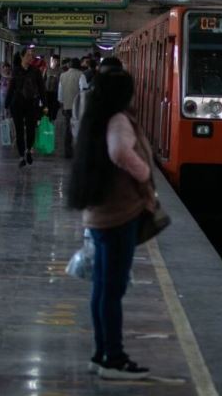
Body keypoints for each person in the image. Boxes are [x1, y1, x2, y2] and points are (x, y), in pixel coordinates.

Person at [67, 66, 153, 380]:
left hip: (98, 215)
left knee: (102, 288)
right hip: (118, 216)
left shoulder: (95, 118)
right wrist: (143, 173)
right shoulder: (117, 120)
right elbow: (119, 152)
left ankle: (100, 353)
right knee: (112, 290)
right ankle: (113, 358)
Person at [5, 47, 46, 168]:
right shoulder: (16, 71)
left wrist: (45, 104)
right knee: (19, 131)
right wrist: (6, 105)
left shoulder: (36, 71)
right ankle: (21, 156)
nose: (30, 57)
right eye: (28, 55)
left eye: (32, 55)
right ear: (22, 57)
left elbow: (41, 89)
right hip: (17, 104)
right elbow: (11, 88)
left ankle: (28, 150)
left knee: (31, 130)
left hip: (31, 104)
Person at [59, 58, 84, 158]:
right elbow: (84, 90)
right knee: (78, 128)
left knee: (68, 129)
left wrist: (62, 103)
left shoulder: (62, 75)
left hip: (67, 106)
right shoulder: (81, 75)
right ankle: (78, 150)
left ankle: (67, 151)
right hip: (78, 106)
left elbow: (60, 93)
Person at [44, 54, 62, 121]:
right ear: (52, 61)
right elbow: (43, 79)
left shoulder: (60, 71)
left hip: (55, 92)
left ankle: (53, 120)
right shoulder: (47, 69)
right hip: (47, 91)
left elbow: (61, 82)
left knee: (54, 107)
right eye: (55, 60)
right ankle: (45, 118)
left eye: (57, 60)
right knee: (46, 106)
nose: (56, 62)